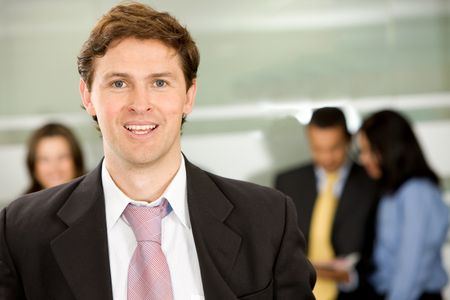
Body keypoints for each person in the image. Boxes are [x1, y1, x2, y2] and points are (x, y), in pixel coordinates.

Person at [0, 2, 316, 299]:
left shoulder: (267, 220)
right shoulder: (22, 233)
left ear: (189, 96)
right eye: (119, 84)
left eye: (160, 83)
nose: (140, 104)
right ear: (88, 96)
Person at [275, 107, 378, 300]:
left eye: (335, 148)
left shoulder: (371, 184)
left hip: (355, 294)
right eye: (318, 149)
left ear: (349, 139)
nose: (327, 157)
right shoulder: (287, 182)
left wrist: (353, 276)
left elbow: (382, 249)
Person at [357, 109, 448, 300]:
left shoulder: (416, 192)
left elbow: (411, 267)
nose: (363, 159)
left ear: (390, 149)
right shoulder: (392, 191)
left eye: (369, 151)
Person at [25, 122, 85, 193]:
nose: (54, 168)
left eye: (62, 157)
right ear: (33, 166)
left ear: (76, 160)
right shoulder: (22, 204)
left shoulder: (98, 200)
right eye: (44, 159)